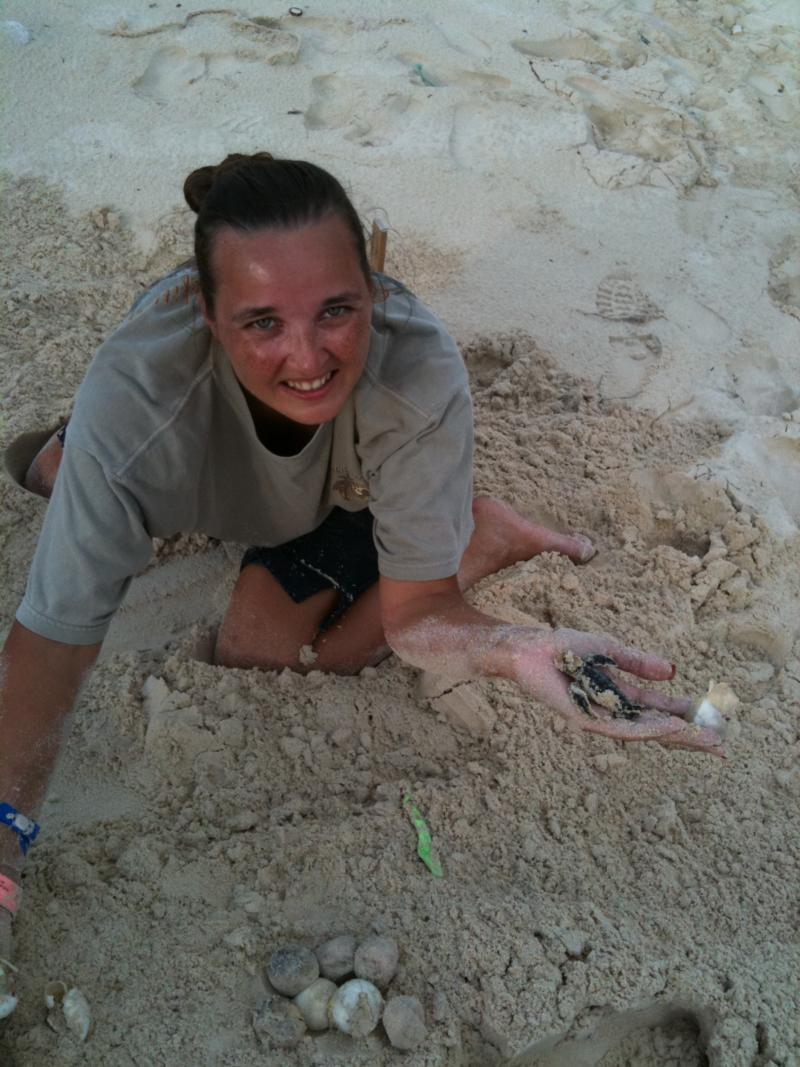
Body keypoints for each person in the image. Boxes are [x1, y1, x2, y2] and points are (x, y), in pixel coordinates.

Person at [0, 153, 724, 1000]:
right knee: (53, 469)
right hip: (170, 434)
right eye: (261, 321)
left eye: (337, 309)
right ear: (202, 311)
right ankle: (77, 449)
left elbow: (421, 615)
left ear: (374, 292)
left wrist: (512, 645)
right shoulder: (136, 407)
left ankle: (476, 534)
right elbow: (51, 649)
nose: (307, 356)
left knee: (265, 647)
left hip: (342, 487)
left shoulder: (414, 377)